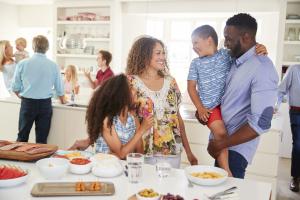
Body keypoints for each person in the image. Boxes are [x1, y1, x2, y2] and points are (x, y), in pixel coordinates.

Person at [187, 25, 267, 176]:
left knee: (221, 137)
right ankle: (227, 172)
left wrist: (259, 47)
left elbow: (245, 50)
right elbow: (191, 88)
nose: (193, 47)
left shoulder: (226, 55)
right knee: (221, 135)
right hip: (210, 108)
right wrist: (200, 108)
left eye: (196, 42)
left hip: (227, 106)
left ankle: (225, 172)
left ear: (209, 40)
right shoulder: (195, 64)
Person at [207, 13, 278, 179]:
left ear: (245, 37)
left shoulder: (262, 68)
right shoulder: (235, 62)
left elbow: (261, 122)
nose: (226, 43)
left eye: (229, 38)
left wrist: (220, 144)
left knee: (229, 194)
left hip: (235, 150)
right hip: (223, 147)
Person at [126, 36, 198, 168]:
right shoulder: (130, 82)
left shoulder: (171, 82)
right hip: (142, 153)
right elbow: (127, 120)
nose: (163, 57)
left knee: (170, 189)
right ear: (144, 55)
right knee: (145, 189)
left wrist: (189, 152)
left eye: (163, 53)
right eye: (158, 53)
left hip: (172, 152)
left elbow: (177, 119)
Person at [69, 74, 153, 159]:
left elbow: (140, 153)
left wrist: (126, 152)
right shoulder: (108, 121)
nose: (135, 90)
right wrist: (142, 130)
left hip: (123, 168)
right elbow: (121, 153)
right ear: (121, 95)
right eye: (131, 87)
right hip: (104, 167)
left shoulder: (133, 118)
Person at [11, 35, 65, 144]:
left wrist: (22, 97)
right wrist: (63, 101)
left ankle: (18, 160)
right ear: (47, 48)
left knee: (22, 137)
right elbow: (60, 89)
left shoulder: (23, 63)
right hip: (45, 104)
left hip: (27, 103)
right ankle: (40, 161)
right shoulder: (53, 65)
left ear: (33, 47)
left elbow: (15, 87)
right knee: (41, 140)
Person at [276, 64, 300, 192]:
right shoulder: (294, 70)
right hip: (297, 112)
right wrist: (275, 107)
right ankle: (295, 177)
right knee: (298, 145)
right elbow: (281, 90)